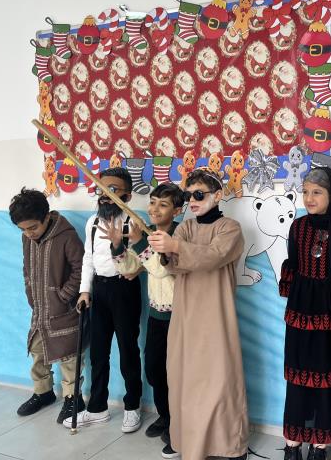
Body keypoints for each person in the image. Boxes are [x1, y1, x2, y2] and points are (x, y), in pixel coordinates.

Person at [148, 168, 249, 460]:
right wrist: (165, 252)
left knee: (220, 379)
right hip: (186, 315)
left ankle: (229, 444)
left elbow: (214, 256)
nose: (192, 200)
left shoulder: (230, 228)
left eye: (199, 195)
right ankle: (186, 440)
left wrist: (174, 246)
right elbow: (175, 265)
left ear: (217, 195)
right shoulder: (185, 228)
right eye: (188, 195)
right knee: (185, 378)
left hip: (216, 315)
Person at [279, 167, 331, 460]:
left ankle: (320, 446)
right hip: (302, 313)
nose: (309, 198)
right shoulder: (298, 227)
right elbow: (293, 263)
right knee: (299, 378)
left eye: (317, 192)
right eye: (305, 192)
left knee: (329, 379)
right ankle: (292, 444)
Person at [65, 167, 144, 433]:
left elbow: (139, 261)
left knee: (128, 350)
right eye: (101, 189)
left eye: (112, 190)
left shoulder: (132, 222)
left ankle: (132, 406)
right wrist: (85, 290)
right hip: (99, 290)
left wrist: (128, 256)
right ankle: (97, 407)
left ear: (127, 196)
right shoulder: (92, 223)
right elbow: (88, 258)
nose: (104, 196)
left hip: (124, 290)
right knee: (98, 352)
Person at [109, 182, 184, 458]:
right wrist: (118, 245)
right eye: (152, 202)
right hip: (156, 316)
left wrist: (141, 241)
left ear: (177, 210)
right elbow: (129, 268)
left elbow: (162, 269)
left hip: (179, 317)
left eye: (163, 205)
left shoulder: (180, 235)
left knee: (177, 374)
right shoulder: (148, 233)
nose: (154, 209)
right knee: (154, 370)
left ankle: (179, 425)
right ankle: (166, 416)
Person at [9, 188, 84, 424]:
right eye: (23, 229)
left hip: (64, 310)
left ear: (47, 216)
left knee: (69, 356)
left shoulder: (67, 237)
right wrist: (30, 292)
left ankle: (73, 398)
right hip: (40, 309)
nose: (28, 233)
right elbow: (26, 267)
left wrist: (63, 295)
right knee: (37, 351)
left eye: (32, 227)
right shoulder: (27, 239)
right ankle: (43, 392)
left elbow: (81, 269)